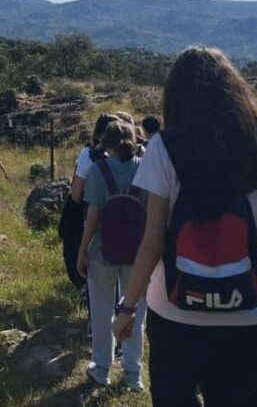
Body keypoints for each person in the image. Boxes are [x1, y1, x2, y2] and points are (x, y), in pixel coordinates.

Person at [112, 47, 257, 407]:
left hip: (175, 313)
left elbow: (152, 241)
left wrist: (127, 308)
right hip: (246, 317)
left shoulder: (163, 149)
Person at [77, 121, 147, 390]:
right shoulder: (143, 169)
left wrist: (82, 250)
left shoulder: (98, 170)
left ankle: (102, 368)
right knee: (134, 312)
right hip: (137, 252)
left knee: (102, 308)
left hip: (102, 251)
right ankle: (132, 373)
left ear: (105, 143)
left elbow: (92, 216)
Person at [59, 113, 120, 327]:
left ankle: (95, 316)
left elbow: (76, 194)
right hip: (120, 219)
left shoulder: (88, 155)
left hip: (89, 215)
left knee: (82, 258)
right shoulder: (130, 156)